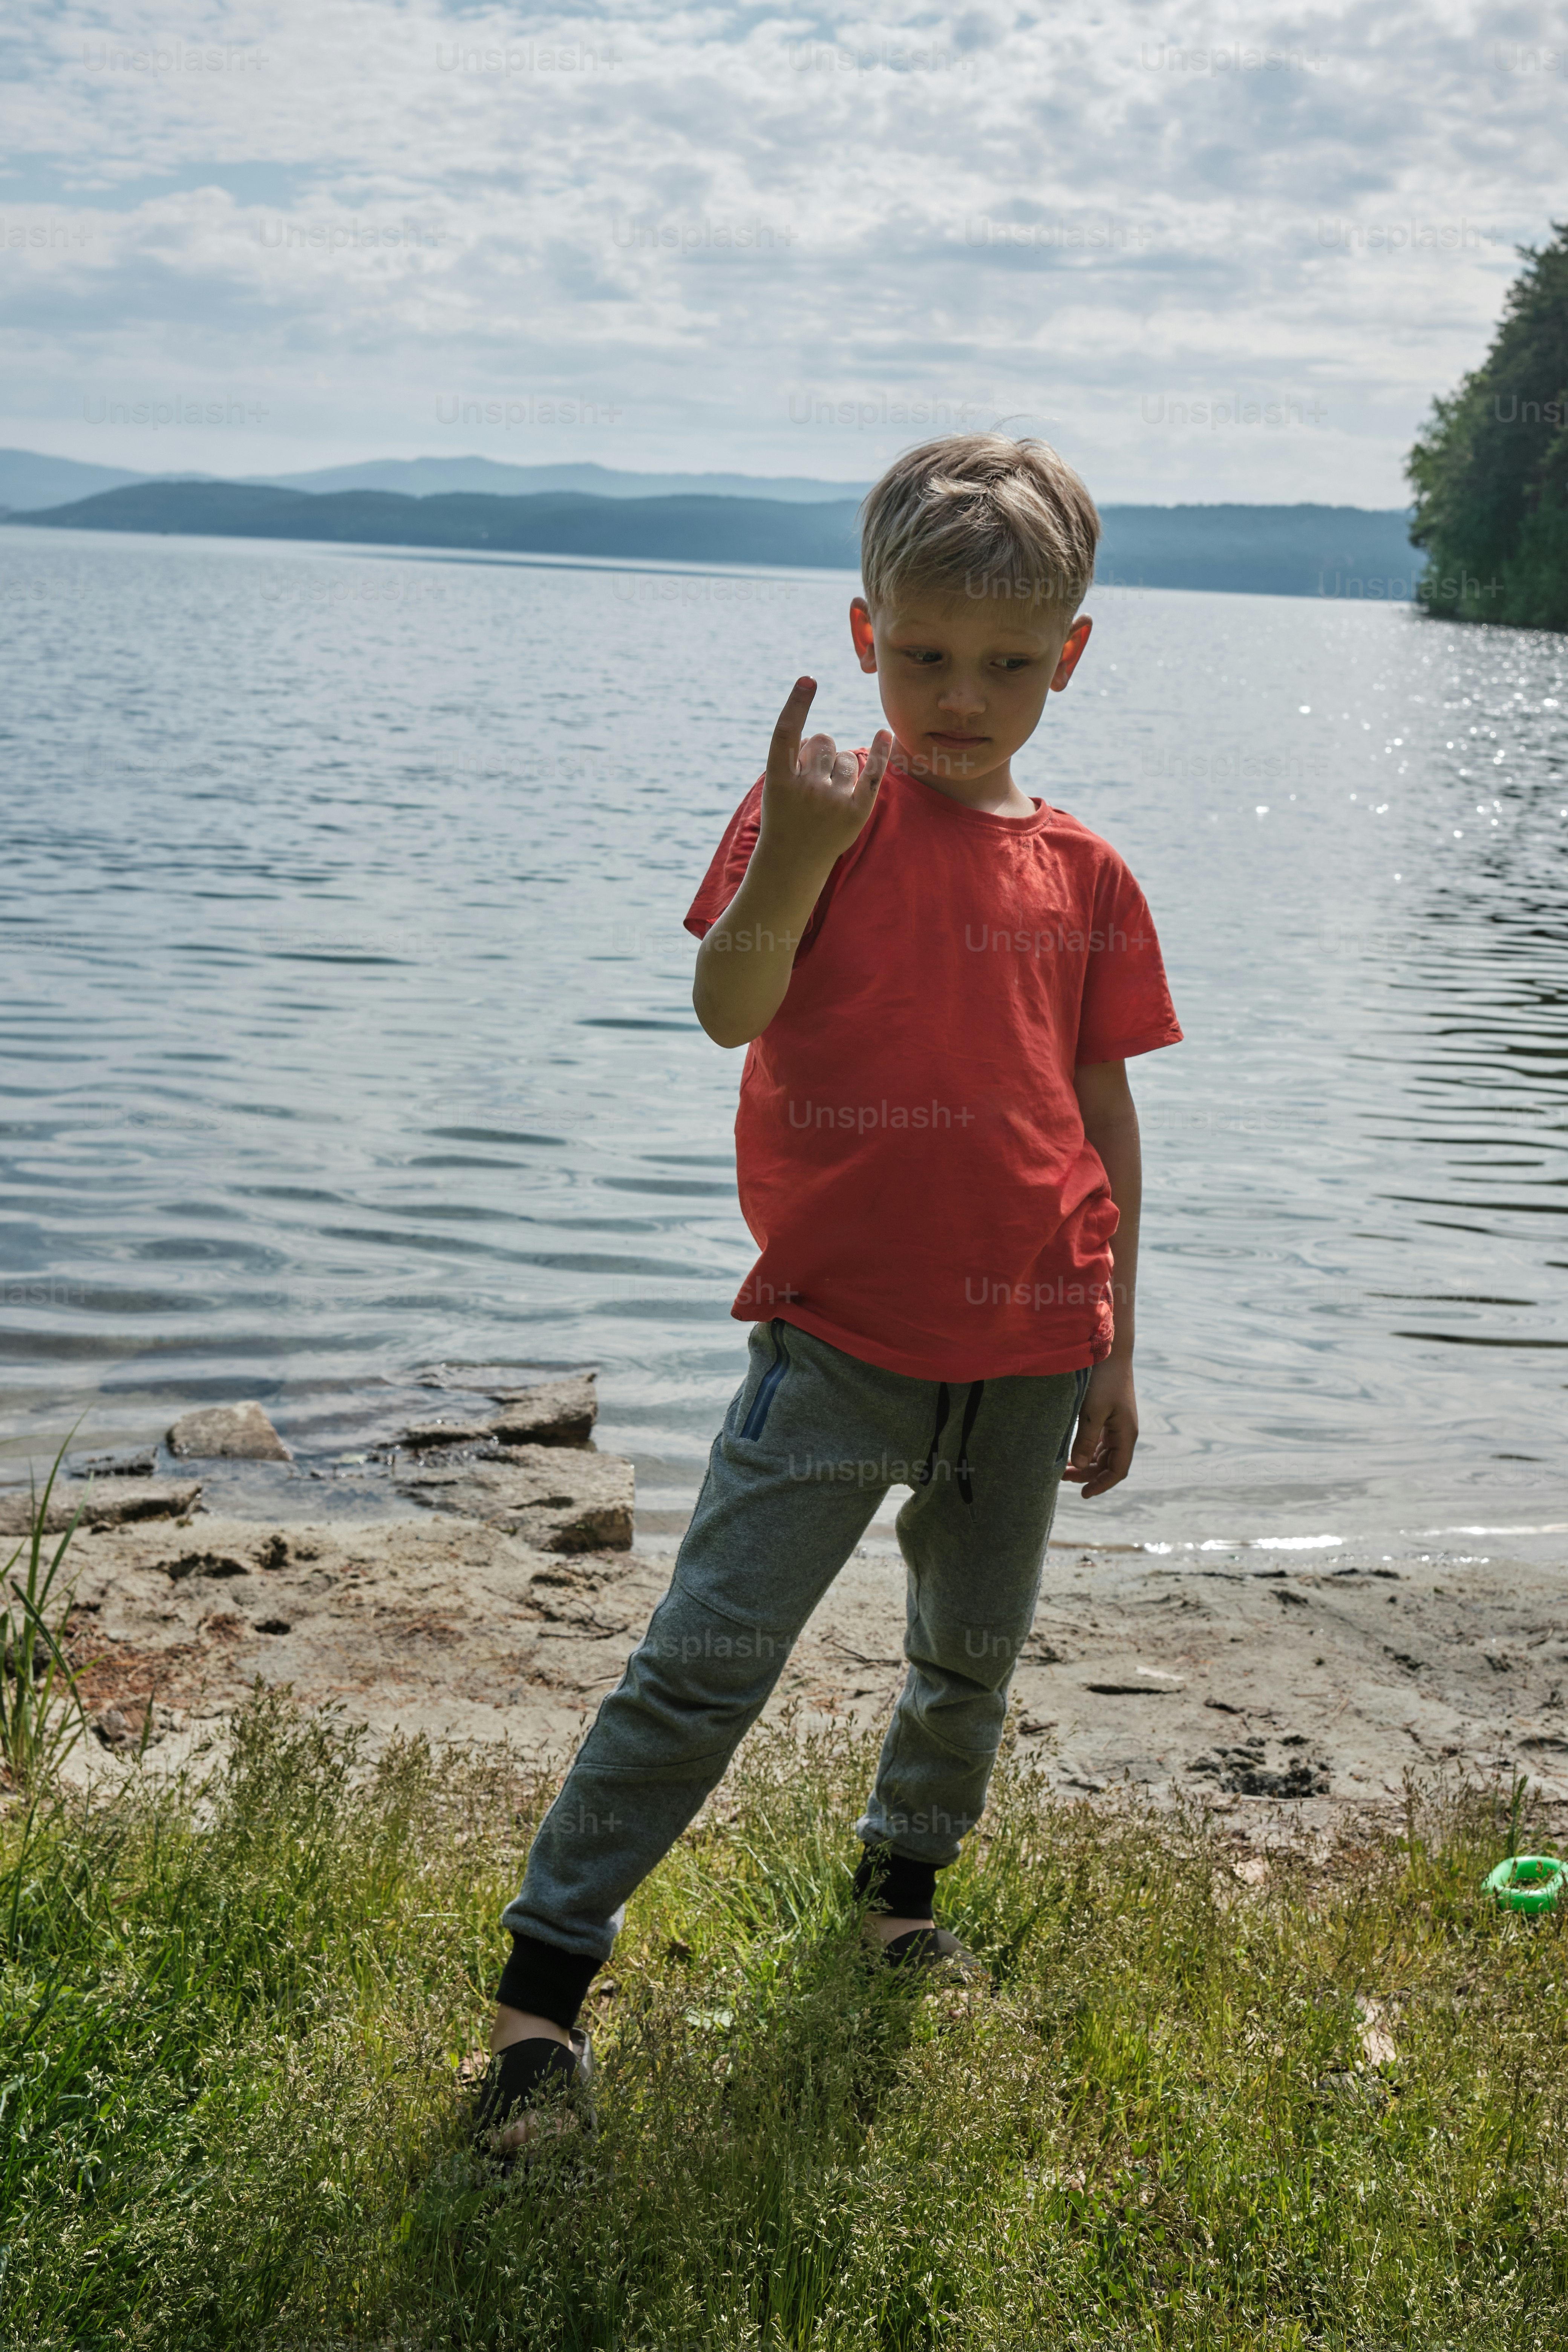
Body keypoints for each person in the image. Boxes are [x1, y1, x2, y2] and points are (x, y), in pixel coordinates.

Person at [472, 431, 1183, 2158]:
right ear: (864, 636)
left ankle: (897, 1896)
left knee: (966, 1655)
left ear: (1069, 656)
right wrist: (794, 851)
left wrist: (1114, 1346)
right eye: (926, 654)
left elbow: (1101, 1110)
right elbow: (729, 1006)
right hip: (838, 1351)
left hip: (1027, 1352)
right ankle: (539, 1995)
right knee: (705, 1657)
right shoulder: (827, 814)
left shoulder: (1082, 874)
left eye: (1009, 664)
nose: (964, 694)